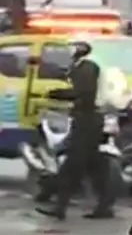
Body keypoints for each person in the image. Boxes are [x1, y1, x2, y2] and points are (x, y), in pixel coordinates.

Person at [35, 42, 115, 220]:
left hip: (87, 120)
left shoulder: (88, 66)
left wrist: (55, 93)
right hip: (92, 119)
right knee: (95, 166)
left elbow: (83, 92)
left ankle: (60, 208)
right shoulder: (90, 65)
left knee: (73, 165)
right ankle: (104, 206)